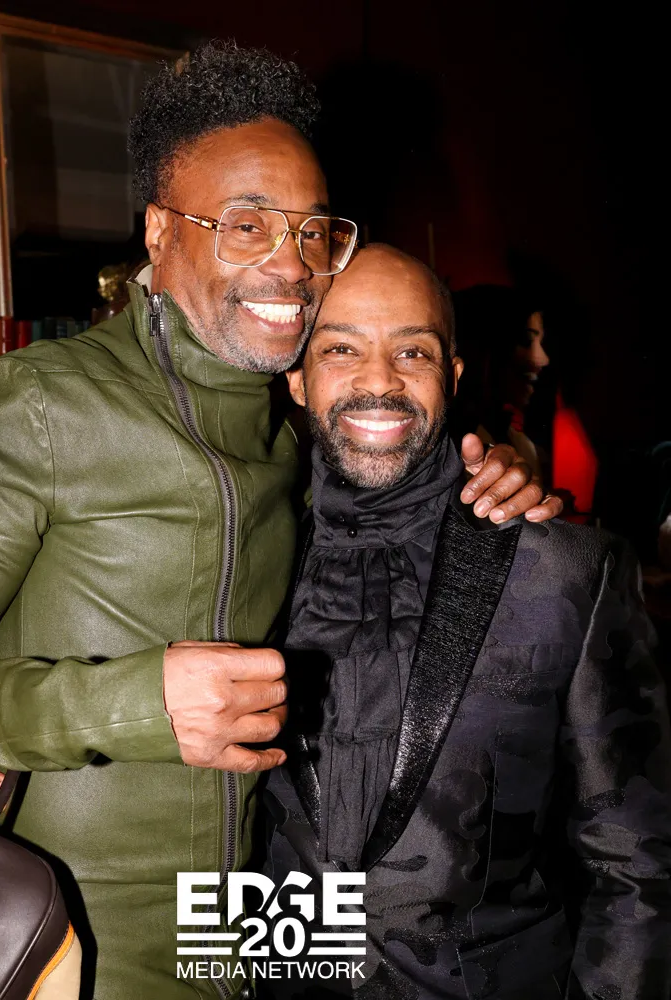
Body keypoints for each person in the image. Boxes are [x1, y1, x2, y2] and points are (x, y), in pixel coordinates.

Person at [0, 45, 559, 1000]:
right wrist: (137, 703)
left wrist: (495, 470)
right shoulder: (48, 402)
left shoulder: (292, 432)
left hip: (255, 922)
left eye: (313, 230)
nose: (292, 262)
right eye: (245, 225)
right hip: (79, 932)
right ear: (160, 234)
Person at [265, 245, 671, 999]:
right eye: (341, 349)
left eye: (412, 351)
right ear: (297, 377)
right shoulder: (243, 565)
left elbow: (636, 864)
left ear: (451, 376)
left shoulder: (566, 572)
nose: (379, 380)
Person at [453, 284, 550, 478]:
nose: (544, 359)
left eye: (542, 343)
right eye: (525, 340)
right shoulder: (446, 450)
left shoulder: (521, 443)